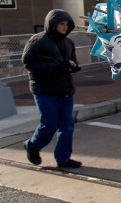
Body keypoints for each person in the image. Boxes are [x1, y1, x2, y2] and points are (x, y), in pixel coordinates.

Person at [22, 9, 83, 169]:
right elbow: (29, 63)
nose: (64, 27)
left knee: (67, 126)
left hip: (66, 89)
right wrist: (56, 67)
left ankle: (63, 159)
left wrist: (74, 66)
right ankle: (32, 145)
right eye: (61, 24)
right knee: (49, 124)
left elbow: (73, 62)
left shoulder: (68, 42)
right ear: (52, 24)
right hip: (45, 90)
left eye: (66, 24)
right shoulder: (38, 41)